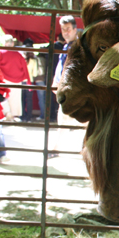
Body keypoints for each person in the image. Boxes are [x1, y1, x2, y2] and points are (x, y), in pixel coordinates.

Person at [49, 16, 79, 158]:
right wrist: (56, 80)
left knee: (79, 119)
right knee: (64, 119)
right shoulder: (67, 46)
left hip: (73, 88)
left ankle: (57, 148)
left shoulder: (78, 46)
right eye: (63, 29)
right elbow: (62, 66)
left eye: (68, 29)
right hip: (65, 87)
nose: (65, 32)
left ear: (74, 29)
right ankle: (56, 148)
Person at [0, 34, 30, 121]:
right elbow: (24, 66)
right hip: (16, 80)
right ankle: (14, 116)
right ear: (12, 43)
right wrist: (27, 79)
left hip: (2, 79)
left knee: (3, 97)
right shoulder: (18, 55)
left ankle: (5, 114)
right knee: (14, 99)